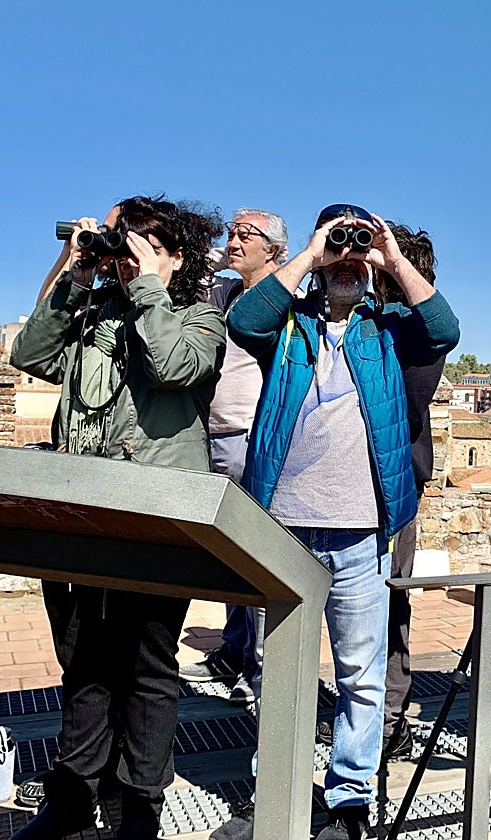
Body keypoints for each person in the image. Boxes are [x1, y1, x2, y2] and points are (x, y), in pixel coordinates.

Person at [211, 204, 460, 840]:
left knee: (360, 675)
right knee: (278, 672)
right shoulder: (288, 325)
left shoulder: (388, 327)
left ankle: (349, 800)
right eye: (338, 243)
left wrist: (390, 257)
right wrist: (312, 254)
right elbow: (243, 318)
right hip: (285, 527)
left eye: (357, 243)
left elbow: (445, 328)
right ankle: (278, 786)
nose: (347, 258)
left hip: (362, 530)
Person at [9, 196, 228, 840]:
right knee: (82, 659)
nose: (127, 256)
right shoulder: (93, 309)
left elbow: (174, 367)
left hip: (158, 515)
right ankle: (74, 794)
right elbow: (29, 356)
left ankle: (140, 803)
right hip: (84, 509)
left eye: (146, 245)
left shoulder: (200, 314)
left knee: (148, 665)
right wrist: (73, 277)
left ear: (176, 256)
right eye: (121, 243)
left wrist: (147, 290)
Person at [180, 208, 289, 707]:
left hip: (253, 438)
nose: (235, 241)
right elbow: (189, 272)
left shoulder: (283, 301)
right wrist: (213, 252)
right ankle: (233, 650)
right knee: (229, 553)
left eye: (248, 235)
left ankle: (263, 668)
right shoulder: (223, 294)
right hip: (211, 435)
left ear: (275, 250)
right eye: (232, 233)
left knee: (260, 556)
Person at [374, 224, 446, 761]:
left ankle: (391, 717)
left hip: (393, 487)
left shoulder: (417, 333)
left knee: (388, 600)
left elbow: (410, 394)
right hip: (335, 487)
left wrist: (394, 268)